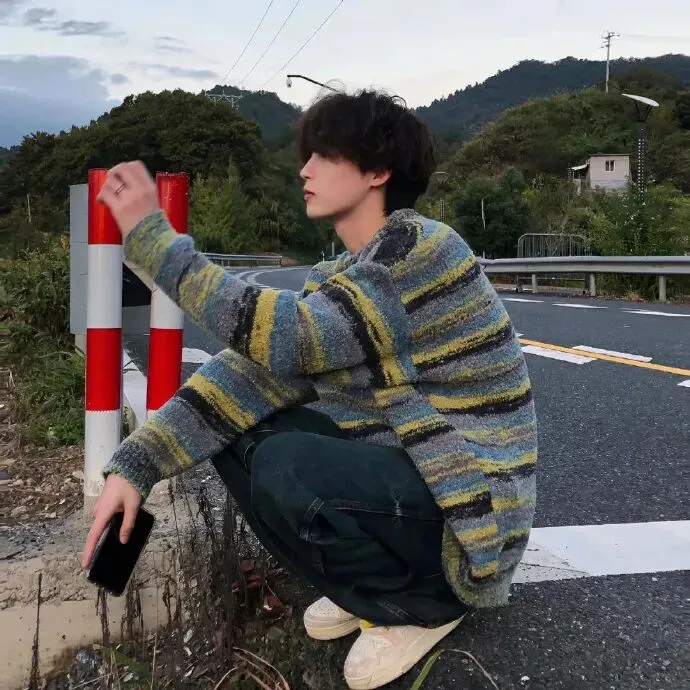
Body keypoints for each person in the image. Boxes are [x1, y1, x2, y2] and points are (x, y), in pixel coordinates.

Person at [82, 90, 538, 690]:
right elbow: (243, 378)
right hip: (411, 483)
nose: (305, 169)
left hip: (468, 512)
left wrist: (153, 242)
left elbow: (292, 337)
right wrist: (135, 466)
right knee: (236, 433)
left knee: (287, 465)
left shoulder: (422, 253)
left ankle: (427, 603)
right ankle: (367, 589)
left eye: (324, 155)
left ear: (377, 171)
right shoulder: (346, 279)